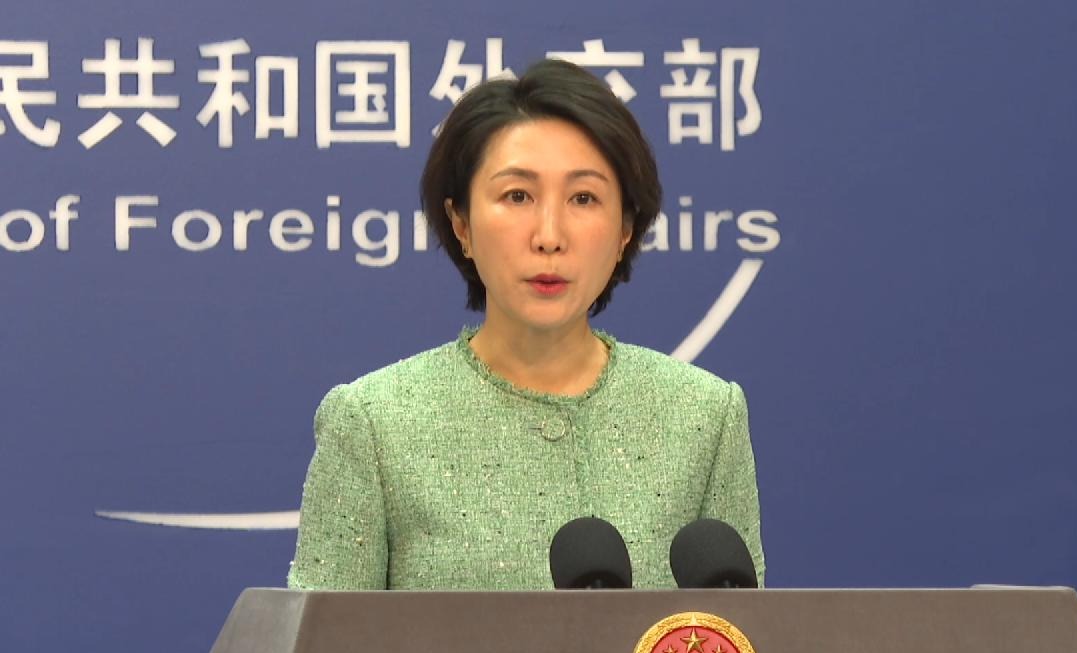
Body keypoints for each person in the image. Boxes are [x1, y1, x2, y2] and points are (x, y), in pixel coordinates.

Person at [287, 59, 764, 590]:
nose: (549, 236)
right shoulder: (374, 424)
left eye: (583, 198)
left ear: (626, 229)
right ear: (462, 224)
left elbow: (741, 636)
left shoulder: (704, 416)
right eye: (517, 196)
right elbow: (320, 641)